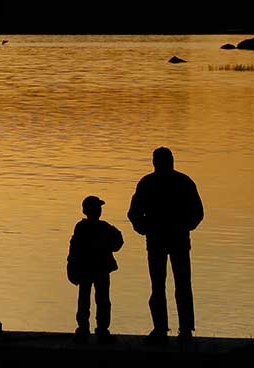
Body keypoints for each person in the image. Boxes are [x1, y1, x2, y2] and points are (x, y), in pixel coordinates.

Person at [127, 147, 204, 345]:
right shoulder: (149, 183)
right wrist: (144, 228)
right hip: (157, 241)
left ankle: (184, 330)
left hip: (175, 240)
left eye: (165, 160)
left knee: (181, 285)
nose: (162, 164)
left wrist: (183, 227)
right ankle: (162, 329)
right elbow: (134, 213)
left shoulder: (182, 182)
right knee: (161, 286)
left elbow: (197, 212)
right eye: (160, 160)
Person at [67, 195, 124, 344]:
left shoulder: (90, 227)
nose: (99, 210)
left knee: (96, 300)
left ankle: (89, 330)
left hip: (95, 269)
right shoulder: (101, 227)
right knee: (94, 300)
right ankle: (95, 331)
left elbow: (117, 242)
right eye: (97, 208)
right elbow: (74, 248)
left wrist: (72, 265)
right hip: (95, 269)